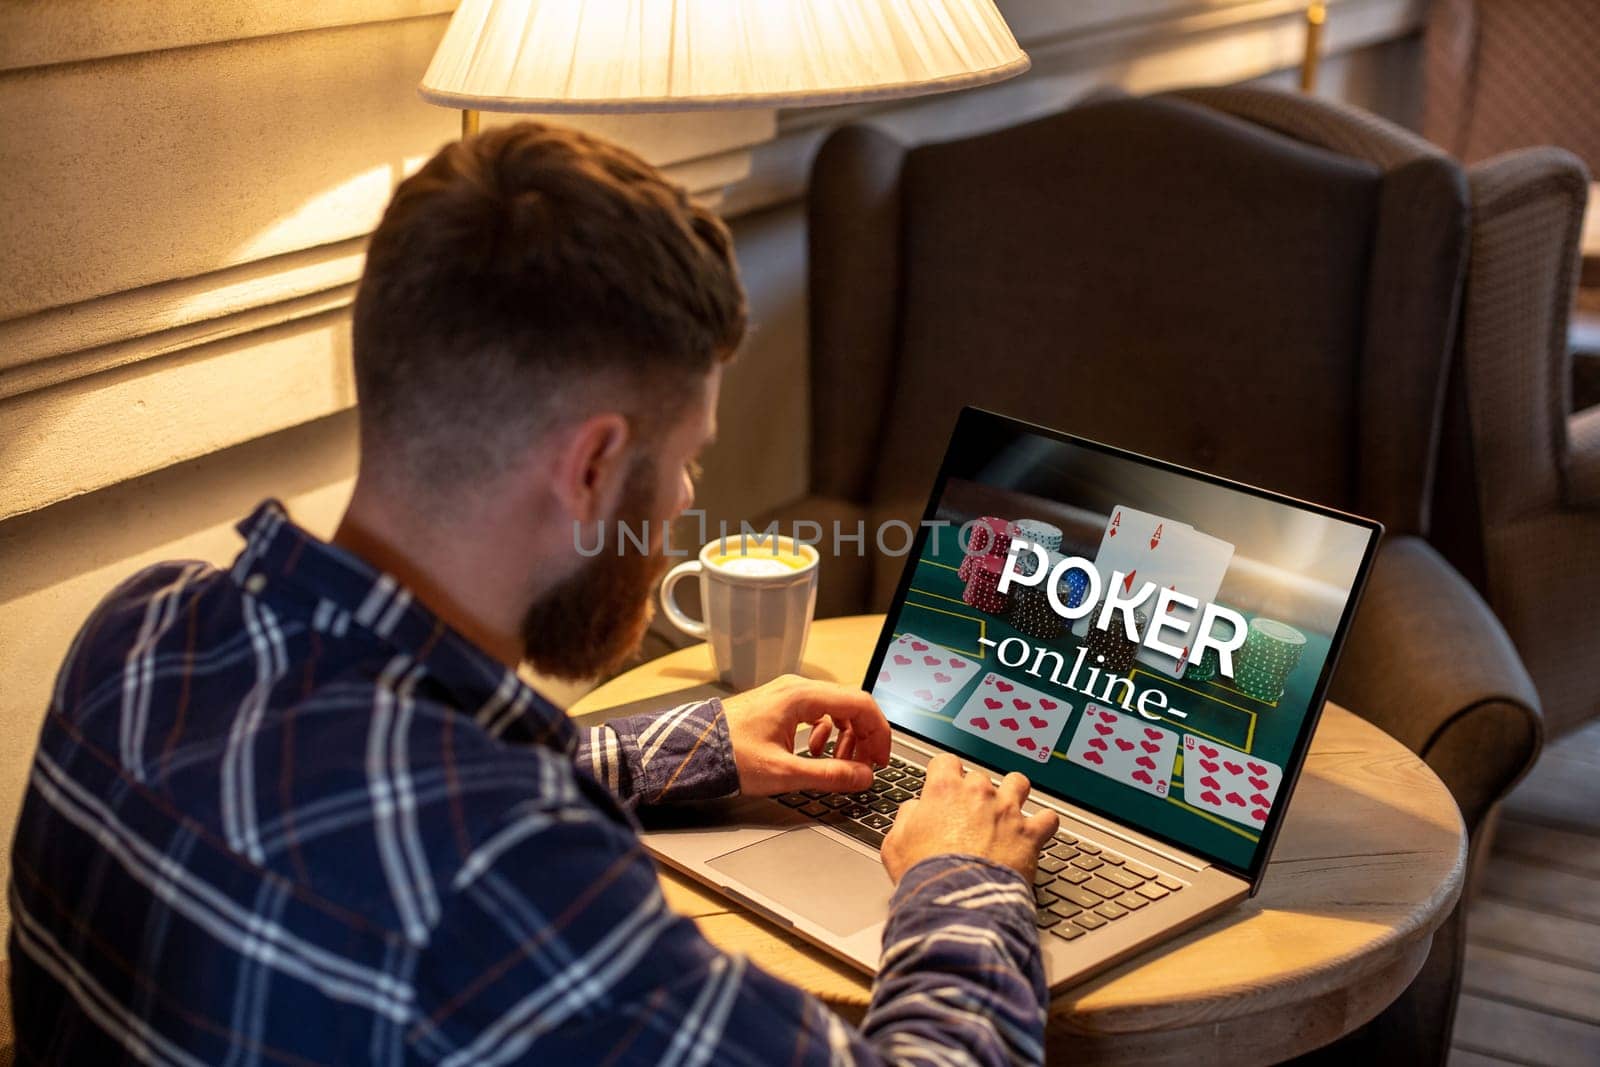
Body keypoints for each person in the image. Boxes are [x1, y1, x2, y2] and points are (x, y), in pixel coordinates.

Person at [7, 123, 1059, 1065]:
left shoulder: (139, 633)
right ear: (592, 466)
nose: (685, 498)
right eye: (685, 458)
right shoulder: (511, 877)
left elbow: (367, 769)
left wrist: (683, 748)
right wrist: (961, 877)